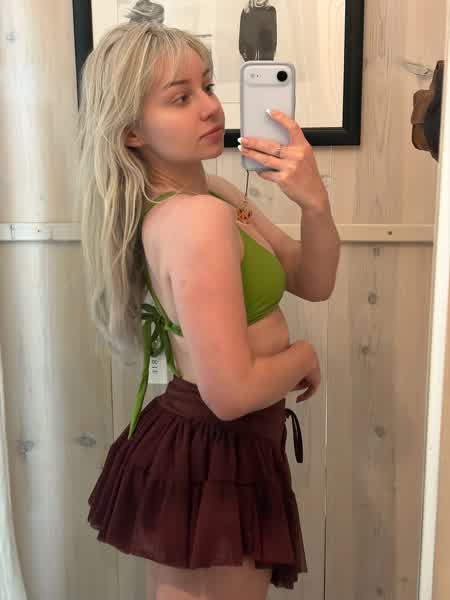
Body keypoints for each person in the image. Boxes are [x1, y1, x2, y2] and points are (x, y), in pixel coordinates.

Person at [76, 17, 339, 600]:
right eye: (180, 98)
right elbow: (232, 393)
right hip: (213, 448)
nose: (211, 107)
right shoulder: (195, 218)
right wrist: (302, 355)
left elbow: (313, 280)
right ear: (131, 132)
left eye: (209, 86)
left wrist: (315, 203)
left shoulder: (213, 195)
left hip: (227, 444)